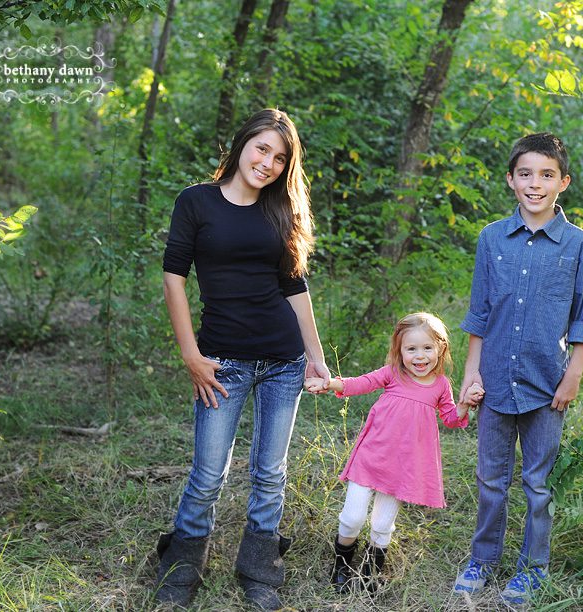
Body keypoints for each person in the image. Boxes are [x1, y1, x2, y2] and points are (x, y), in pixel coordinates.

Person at [154, 108, 330, 610]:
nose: (268, 163)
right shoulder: (196, 201)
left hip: (282, 361)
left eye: (280, 158)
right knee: (209, 473)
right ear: (242, 145)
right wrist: (191, 354)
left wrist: (315, 357)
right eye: (262, 149)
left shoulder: (281, 209)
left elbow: (294, 286)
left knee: (270, 473)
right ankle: (182, 569)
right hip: (221, 361)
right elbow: (173, 279)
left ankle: (259, 569)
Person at [452, 133, 583, 605]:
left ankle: (533, 569)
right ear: (511, 180)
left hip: (547, 383)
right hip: (495, 378)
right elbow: (480, 313)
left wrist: (574, 374)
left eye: (546, 175)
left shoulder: (580, 246)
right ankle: (483, 559)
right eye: (526, 174)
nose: (535, 184)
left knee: (538, 484)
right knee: (490, 480)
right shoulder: (492, 238)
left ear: (563, 182)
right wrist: (471, 373)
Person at [304, 312, 485, 593]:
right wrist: (328, 383)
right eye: (411, 349)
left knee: (381, 525)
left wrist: (465, 404)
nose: (420, 356)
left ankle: (371, 573)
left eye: (427, 348)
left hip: (403, 467)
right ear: (399, 351)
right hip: (371, 458)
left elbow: (450, 418)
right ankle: (341, 565)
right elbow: (360, 383)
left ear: (441, 348)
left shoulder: (440, 385)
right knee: (352, 518)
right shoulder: (393, 374)